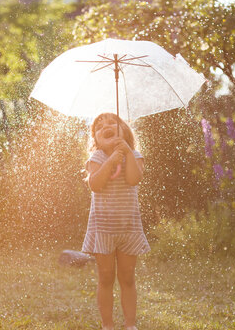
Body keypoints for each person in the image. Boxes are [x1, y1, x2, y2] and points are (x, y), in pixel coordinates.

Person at [82, 113, 150, 330]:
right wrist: (111, 158)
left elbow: (133, 179)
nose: (106, 126)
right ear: (95, 138)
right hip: (103, 229)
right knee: (106, 277)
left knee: (128, 277)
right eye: (99, 126)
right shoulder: (97, 158)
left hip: (128, 228)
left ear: (125, 130)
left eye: (112, 122)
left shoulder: (134, 155)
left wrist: (125, 152)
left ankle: (130, 325)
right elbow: (95, 184)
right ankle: (108, 325)